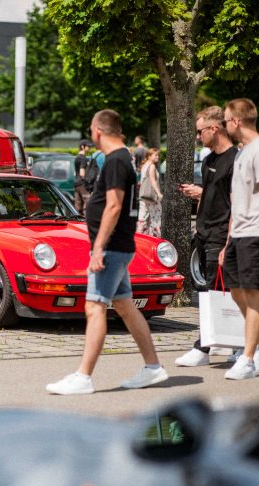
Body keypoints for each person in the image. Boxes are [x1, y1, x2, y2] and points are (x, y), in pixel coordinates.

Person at [46, 109, 167, 395]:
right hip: (118, 245)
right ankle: (153, 368)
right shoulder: (124, 157)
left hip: (111, 247)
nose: (90, 134)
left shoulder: (115, 161)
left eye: (91, 129)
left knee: (94, 306)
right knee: (124, 305)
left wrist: (98, 247)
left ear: (98, 130)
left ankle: (83, 377)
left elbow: (114, 206)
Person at [218, 98, 259, 380]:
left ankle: (248, 357)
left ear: (236, 121)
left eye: (225, 119)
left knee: (253, 293)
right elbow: (238, 201)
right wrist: (228, 241)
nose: (223, 124)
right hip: (239, 234)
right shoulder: (243, 152)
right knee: (236, 291)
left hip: (257, 234)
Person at [175, 106, 238, 367]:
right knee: (214, 291)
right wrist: (199, 196)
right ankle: (235, 342)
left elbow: (237, 204)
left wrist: (229, 242)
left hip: (221, 235)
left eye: (200, 131)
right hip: (204, 233)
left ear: (214, 129)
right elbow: (215, 195)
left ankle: (204, 347)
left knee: (218, 291)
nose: (198, 137)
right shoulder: (209, 160)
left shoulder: (236, 160)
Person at [136, 147, 163, 237]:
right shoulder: (151, 166)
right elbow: (152, 181)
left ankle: (141, 236)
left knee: (143, 218)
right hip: (151, 196)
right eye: (155, 155)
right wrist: (158, 193)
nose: (157, 157)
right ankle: (156, 236)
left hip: (143, 196)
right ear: (149, 156)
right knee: (156, 217)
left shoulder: (145, 166)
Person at [73, 139, 93, 213]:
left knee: (78, 205)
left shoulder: (76, 158)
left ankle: (77, 220)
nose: (90, 148)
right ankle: (86, 221)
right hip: (82, 183)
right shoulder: (84, 158)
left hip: (76, 183)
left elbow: (75, 173)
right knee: (87, 202)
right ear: (82, 146)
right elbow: (82, 173)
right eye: (88, 146)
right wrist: (87, 182)